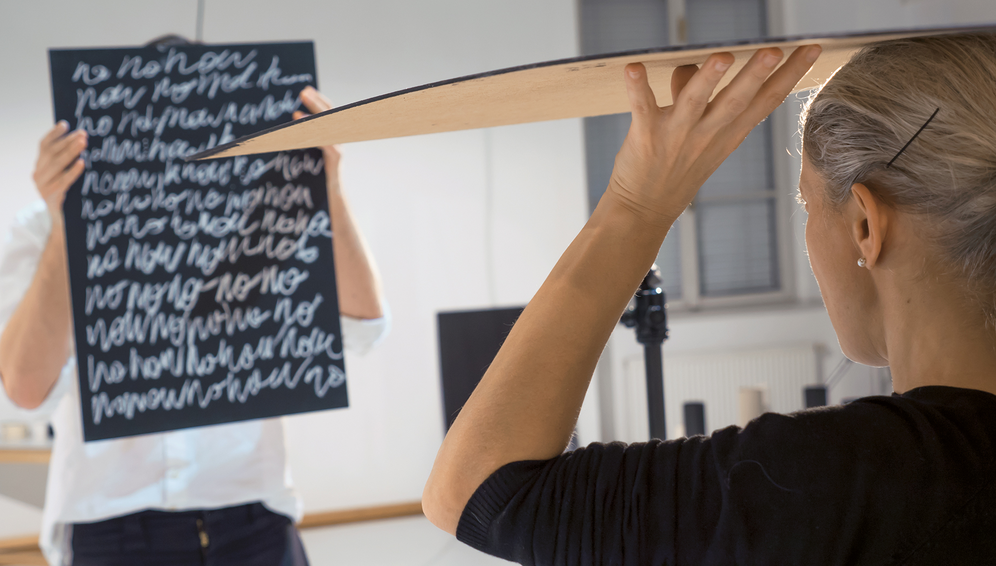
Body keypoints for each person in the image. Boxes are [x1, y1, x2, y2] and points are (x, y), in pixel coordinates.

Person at [423, 32, 996, 564]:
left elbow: (476, 490)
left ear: (865, 227)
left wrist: (637, 205)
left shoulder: (843, 478)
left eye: (807, 205)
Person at [0, 85, 389, 566]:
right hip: (110, 525)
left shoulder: (273, 210)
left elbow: (366, 328)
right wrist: (68, 223)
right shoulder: (41, 225)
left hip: (255, 515)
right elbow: (26, 389)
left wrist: (326, 186)